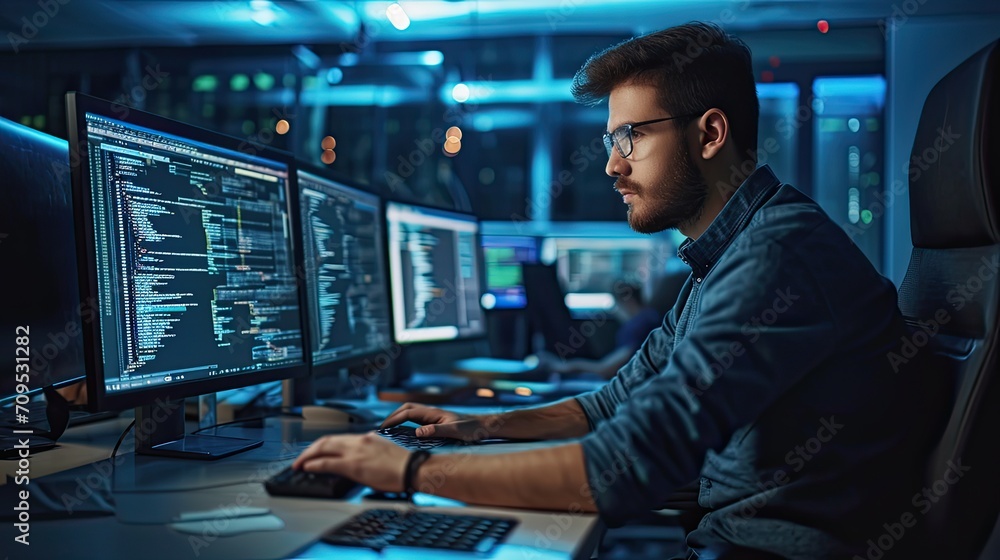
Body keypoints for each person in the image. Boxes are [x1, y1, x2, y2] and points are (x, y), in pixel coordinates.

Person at [293, 22, 944, 559]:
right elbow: (613, 404)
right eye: (610, 141)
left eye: (631, 137)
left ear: (710, 134)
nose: (611, 164)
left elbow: (626, 465)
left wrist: (406, 471)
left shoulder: (777, 254)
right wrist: (475, 427)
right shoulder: (728, 255)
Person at [541, 281, 663, 378]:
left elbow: (605, 369)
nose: (615, 312)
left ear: (627, 300)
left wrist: (562, 366)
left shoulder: (639, 325)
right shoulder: (651, 317)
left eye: (616, 305)